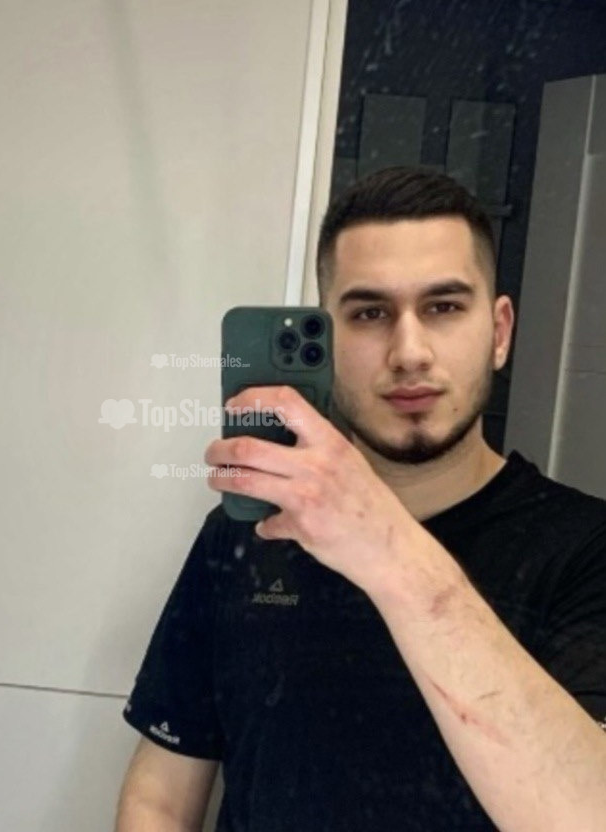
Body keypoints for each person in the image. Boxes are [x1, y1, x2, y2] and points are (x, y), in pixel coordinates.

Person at [114, 166, 606, 831]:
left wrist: (384, 546)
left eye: (443, 307)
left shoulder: (586, 551)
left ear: (499, 332)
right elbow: (161, 797)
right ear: (328, 340)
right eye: (370, 313)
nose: (409, 352)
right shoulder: (245, 536)